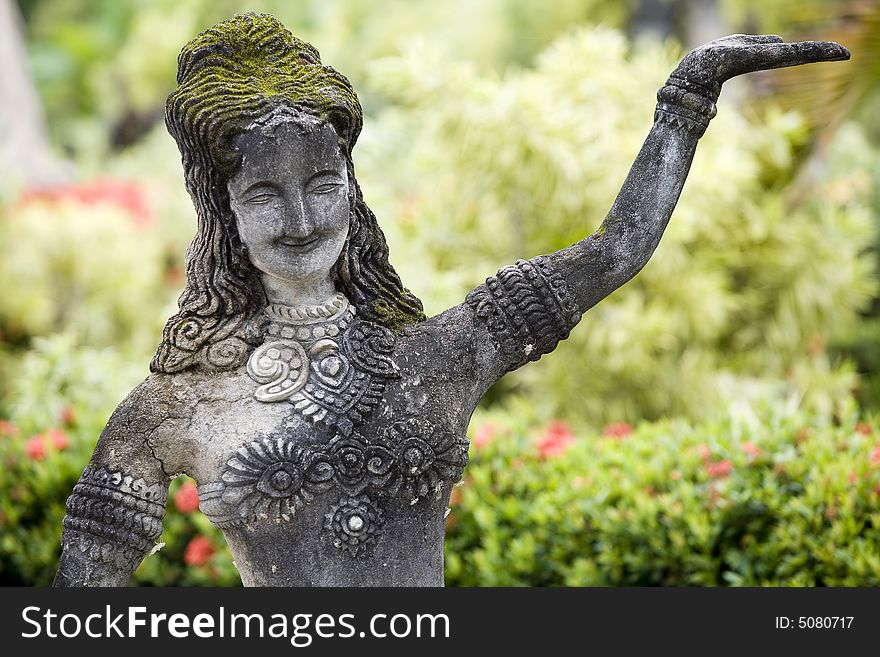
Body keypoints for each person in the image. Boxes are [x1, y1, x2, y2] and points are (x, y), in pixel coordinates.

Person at [53, 13, 849, 586]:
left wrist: (683, 103)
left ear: (353, 190)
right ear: (224, 209)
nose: (300, 221)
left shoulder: (440, 353)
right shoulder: (172, 407)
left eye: (323, 185)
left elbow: (616, 250)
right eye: (265, 193)